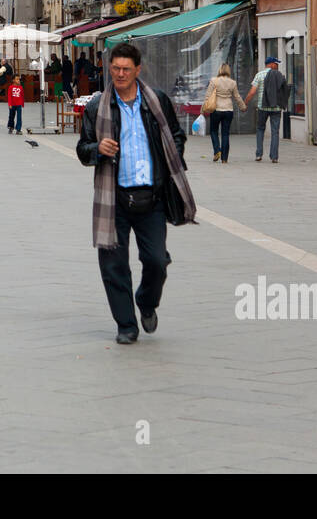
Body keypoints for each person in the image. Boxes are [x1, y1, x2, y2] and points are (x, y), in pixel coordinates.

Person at [77, 43, 195, 345]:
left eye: (126, 69)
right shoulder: (97, 106)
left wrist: (172, 161)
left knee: (157, 261)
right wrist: (97, 149)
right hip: (113, 198)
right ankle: (126, 325)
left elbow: (176, 136)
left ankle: (146, 301)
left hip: (151, 197)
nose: (120, 73)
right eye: (115, 68)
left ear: (137, 70)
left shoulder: (156, 101)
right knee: (113, 266)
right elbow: (83, 149)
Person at [201, 63, 247, 163]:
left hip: (216, 109)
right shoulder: (232, 82)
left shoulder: (214, 80)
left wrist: (203, 109)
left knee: (213, 131)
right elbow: (237, 97)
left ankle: (217, 151)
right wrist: (242, 106)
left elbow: (208, 96)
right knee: (225, 134)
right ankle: (224, 159)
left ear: (220, 70)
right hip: (228, 110)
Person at [244, 56, 288, 163]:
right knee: (275, 132)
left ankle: (259, 154)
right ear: (271, 64)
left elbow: (252, 92)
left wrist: (245, 103)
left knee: (260, 129)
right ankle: (274, 157)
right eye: (276, 64)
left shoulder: (259, 75)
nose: (277, 66)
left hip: (262, 107)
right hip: (276, 108)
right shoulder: (280, 76)